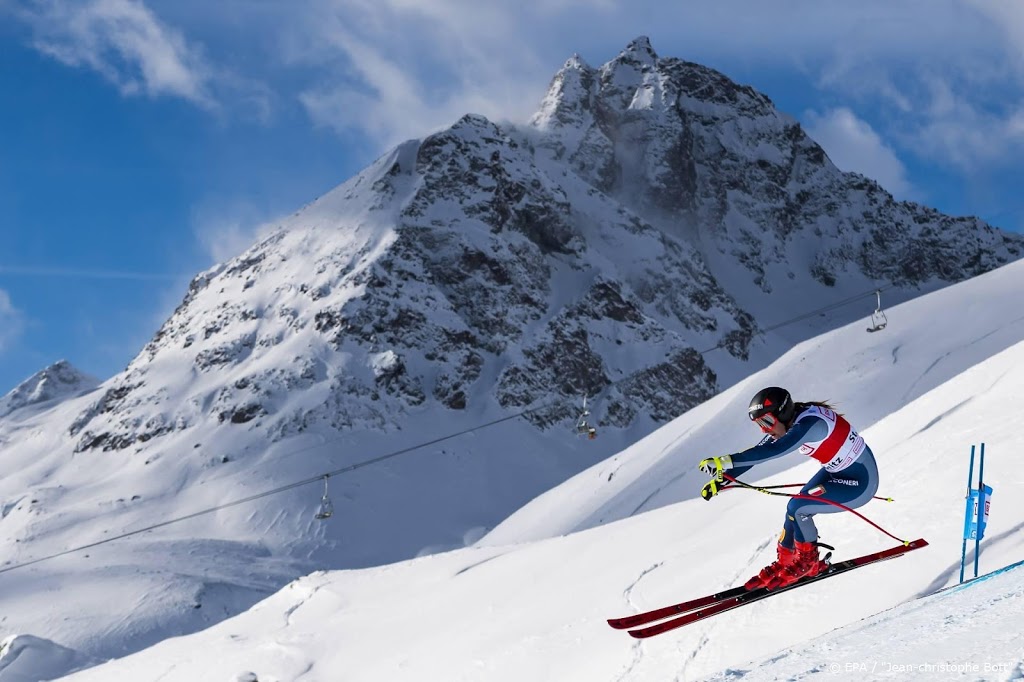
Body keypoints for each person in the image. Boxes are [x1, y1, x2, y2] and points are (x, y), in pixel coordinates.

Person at [697, 387, 880, 591]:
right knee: (793, 510)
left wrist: (724, 461)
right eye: (759, 424)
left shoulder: (809, 424)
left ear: (782, 413)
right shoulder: (791, 422)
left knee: (799, 507)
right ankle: (786, 563)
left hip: (860, 483)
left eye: (766, 422)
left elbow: (774, 450)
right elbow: (760, 452)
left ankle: (807, 563)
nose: (764, 429)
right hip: (837, 472)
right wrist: (724, 480)